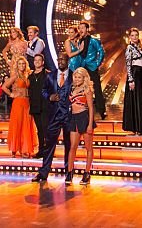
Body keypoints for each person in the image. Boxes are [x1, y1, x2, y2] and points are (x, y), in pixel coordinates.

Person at [31, 53, 74, 184]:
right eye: (59, 59)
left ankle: (69, 172)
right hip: (53, 115)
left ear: (68, 61)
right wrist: (49, 97)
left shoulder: (74, 76)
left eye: (63, 59)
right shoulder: (50, 75)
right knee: (49, 144)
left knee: (69, 145)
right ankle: (43, 172)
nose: (60, 61)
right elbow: (43, 91)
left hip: (68, 115)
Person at [65, 67, 96, 185]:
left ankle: (87, 173)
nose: (77, 79)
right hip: (73, 118)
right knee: (72, 146)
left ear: (84, 78)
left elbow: (91, 108)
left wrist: (89, 125)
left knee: (88, 148)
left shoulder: (87, 90)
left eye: (79, 77)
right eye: (75, 77)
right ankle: (69, 172)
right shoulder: (72, 88)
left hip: (84, 117)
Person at [2, 55, 36, 157]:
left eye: (23, 63)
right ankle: (15, 148)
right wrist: (11, 94)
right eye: (20, 64)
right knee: (18, 124)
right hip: (18, 102)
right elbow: (4, 87)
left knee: (26, 125)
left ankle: (24, 149)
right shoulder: (15, 76)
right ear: (17, 65)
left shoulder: (28, 75)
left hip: (27, 102)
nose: (22, 65)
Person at [122, 27, 142, 135]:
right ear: (129, 37)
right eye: (132, 35)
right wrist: (131, 80)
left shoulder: (140, 47)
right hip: (134, 75)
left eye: (136, 35)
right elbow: (128, 64)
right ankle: (137, 127)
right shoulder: (129, 48)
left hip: (141, 75)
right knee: (136, 100)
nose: (135, 37)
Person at [78, 21, 106, 119]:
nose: (81, 30)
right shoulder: (79, 41)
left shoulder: (94, 40)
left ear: (87, 29)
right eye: (79, 28)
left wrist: (97, 63)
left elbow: (101, 52)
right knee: (82, 89)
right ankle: (84, 110)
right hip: (82, 67)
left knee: (97, 89)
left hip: (92, 67)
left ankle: (102, 111)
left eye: (83, 27)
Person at [28, 53, 50, 156]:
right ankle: (41, 150)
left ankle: (48, 150)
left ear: (43, 62)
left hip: (45, 106)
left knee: (46, 129)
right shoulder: (30, 76)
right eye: (35, 60)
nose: (37, 62)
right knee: (39, 130)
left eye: (39, 60)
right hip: (35, 106)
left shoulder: (47, 75)